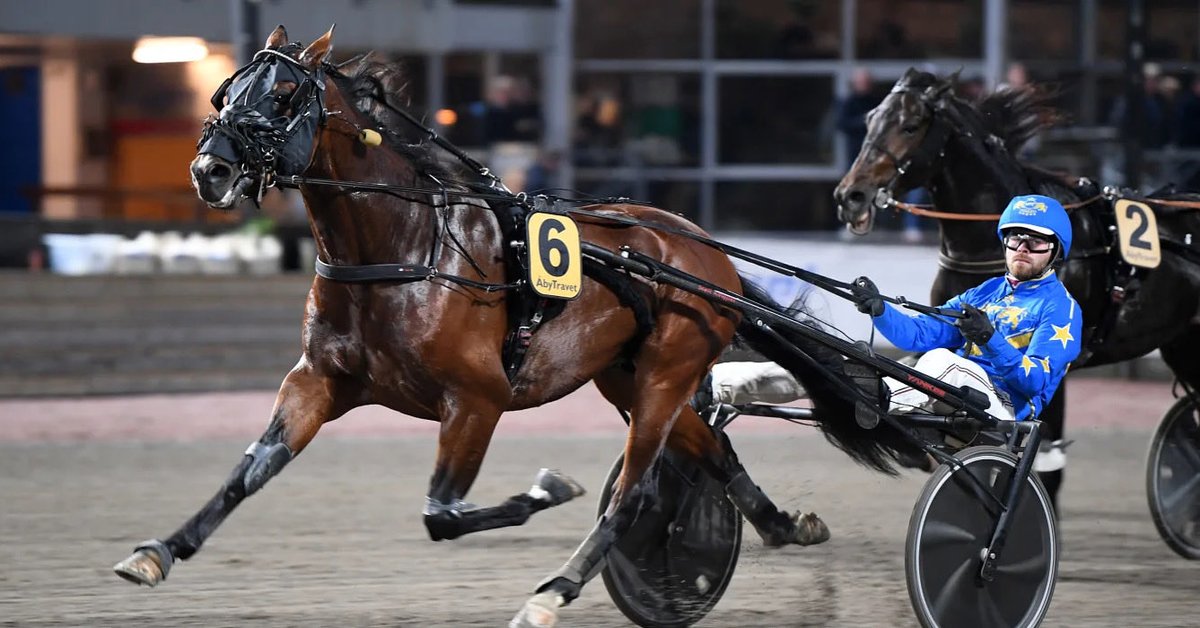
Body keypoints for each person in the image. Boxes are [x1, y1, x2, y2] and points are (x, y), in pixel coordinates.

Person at [700, 194, 1083, 424]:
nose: (1022, 249)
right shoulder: (984, 293)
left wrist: (990, 339)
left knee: (938, 360)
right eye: (1016, 239)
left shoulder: (1061, 309)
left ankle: (874, 397)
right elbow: (918, 332)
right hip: (942, 392)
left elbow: (1032, 382)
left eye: (1036, 243)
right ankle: (712, 386)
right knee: (826, 360)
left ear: (1056, 253)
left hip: (998, 408)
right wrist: (879, 309)